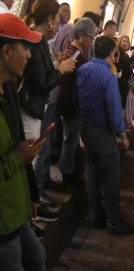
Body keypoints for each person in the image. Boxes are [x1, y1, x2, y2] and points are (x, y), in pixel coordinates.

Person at [0, 13, 50, 271]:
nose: (29, 56)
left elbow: (17, 142)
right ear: (7, 51)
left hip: (16, 211)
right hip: (3, 222)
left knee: (36, 257)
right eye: (25, 48)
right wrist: (17, 158)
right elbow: (14, 155)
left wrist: (31, 193)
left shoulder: (8, 89)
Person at [75, 36, 134, 235]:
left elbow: (76, 98)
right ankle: (114, 220)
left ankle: (97, 214)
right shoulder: (108, 76)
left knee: (92, 170)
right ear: (112, 53)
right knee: (111, 176)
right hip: (102, 131)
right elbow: (114, 107)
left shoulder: (83, 70)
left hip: (86, 127)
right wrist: (122, 135)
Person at [21, 0, 75, 208]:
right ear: (51, 18)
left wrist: (57, 64)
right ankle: (31, 204)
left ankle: (32, 202)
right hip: (31, 109)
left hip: (37, 107)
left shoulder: (40, 41)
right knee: (30, 159)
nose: (59, 22)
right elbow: (39, 84)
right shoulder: (34, 42)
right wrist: (61, 71)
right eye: (57, 17)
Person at [56, 17, 97, 187]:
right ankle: (67, 172)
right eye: (90, 37)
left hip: (72, 100)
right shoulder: (74, 52)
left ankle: (70, 168)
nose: (91, 41)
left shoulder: (77, 51)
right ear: (81, 35)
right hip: (70, 101)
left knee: (71, 138)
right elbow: (68, 77)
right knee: (70, 139)